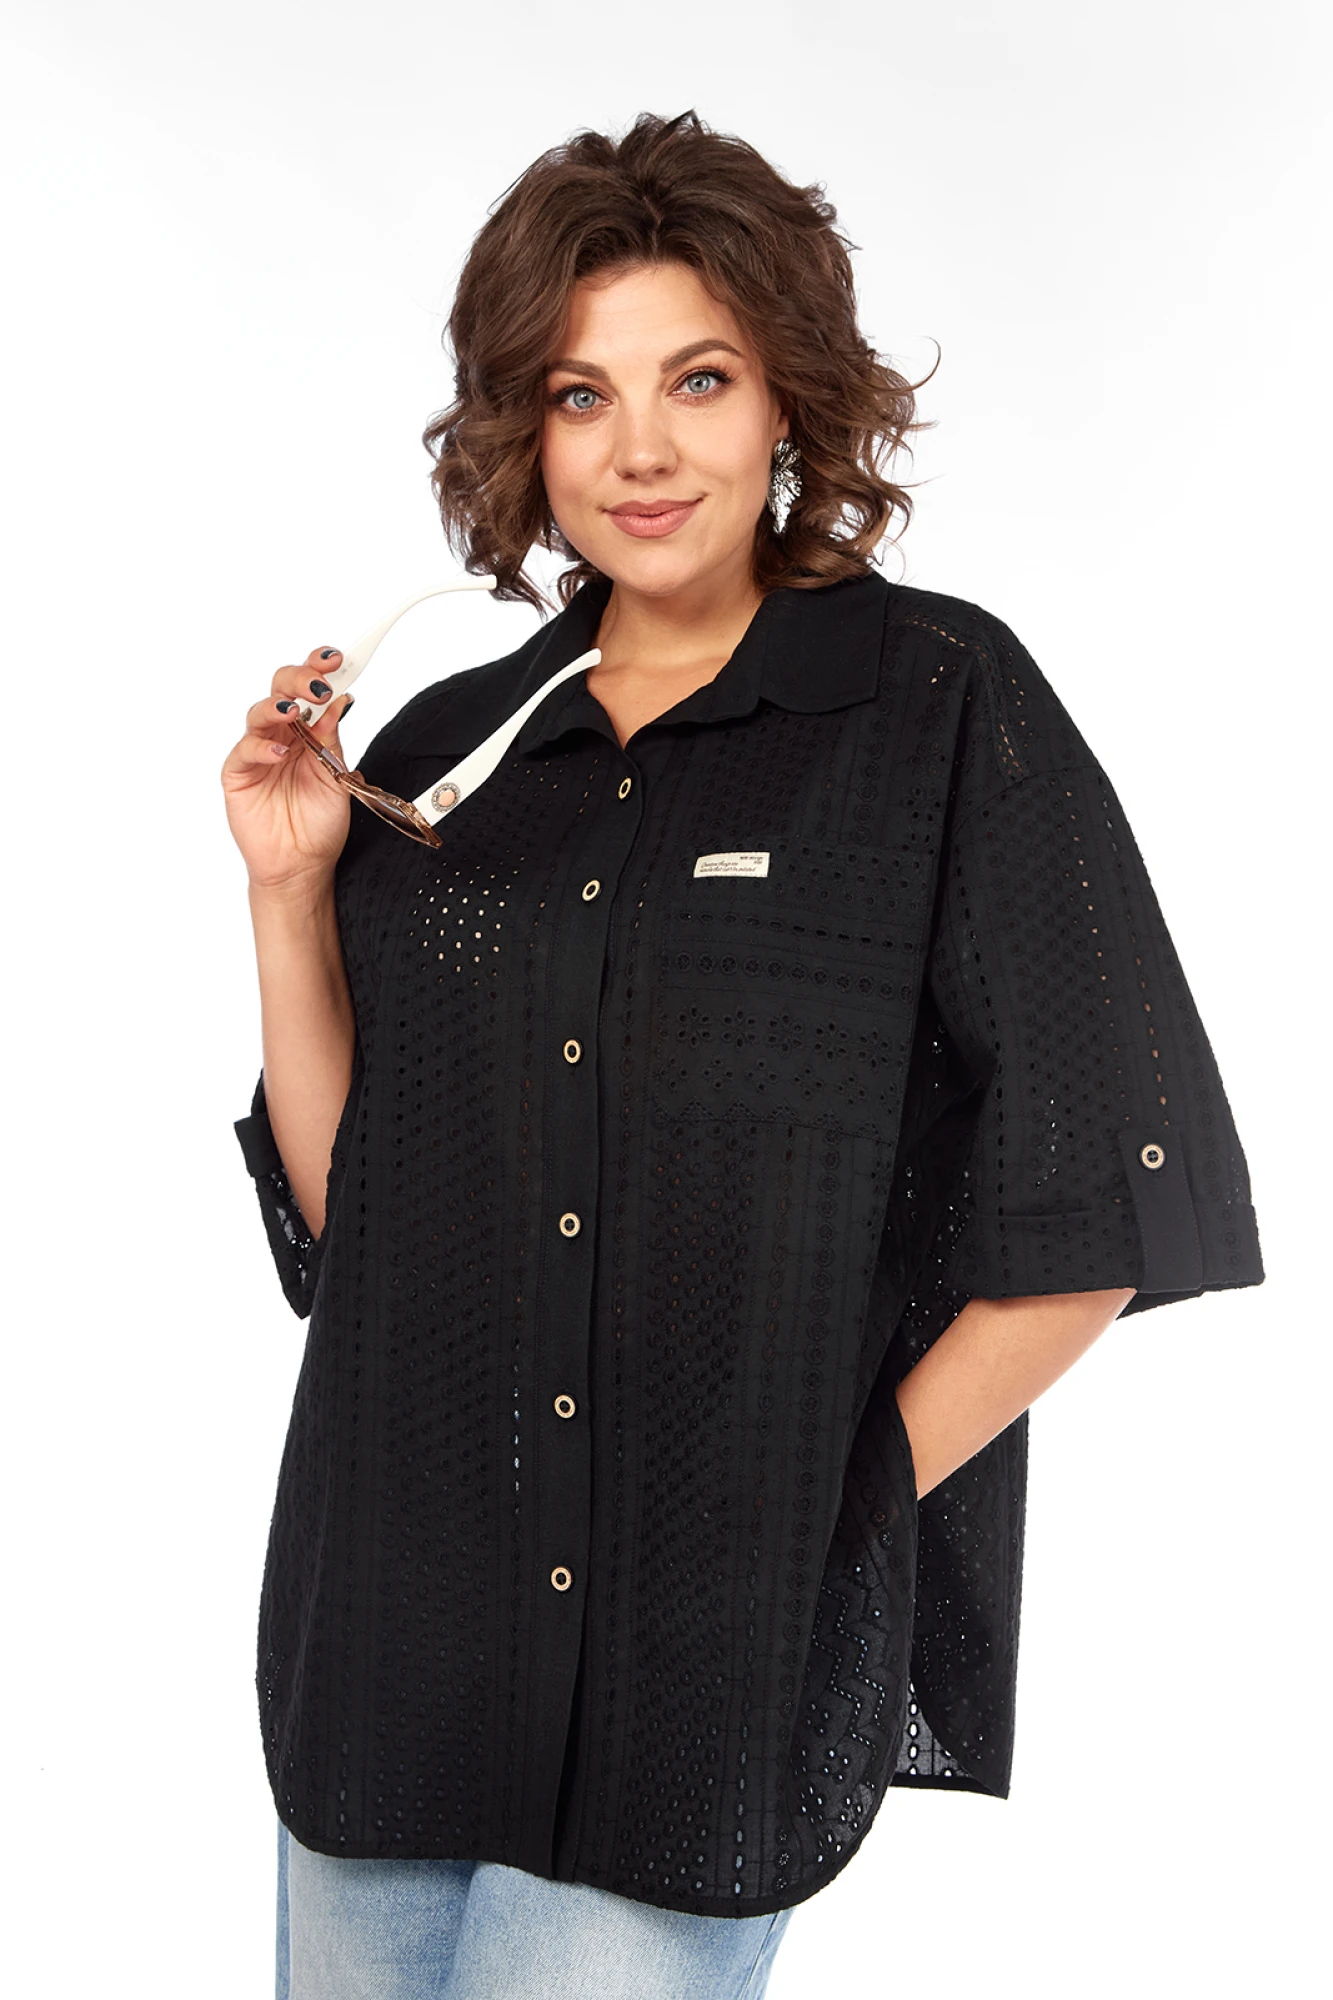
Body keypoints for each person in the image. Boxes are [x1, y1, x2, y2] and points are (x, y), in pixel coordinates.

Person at [222, 111, 1265, 2000]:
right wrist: (292, 896)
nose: (641, 450)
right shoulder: (454, 750)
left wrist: (833, 1510)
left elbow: (1107, 1193)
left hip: (700, 1677)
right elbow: (354, 1226)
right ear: (525, 435)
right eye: (582, 393)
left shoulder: (939, 705)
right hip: (395, 1630)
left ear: (786, 395)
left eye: (695, 380)